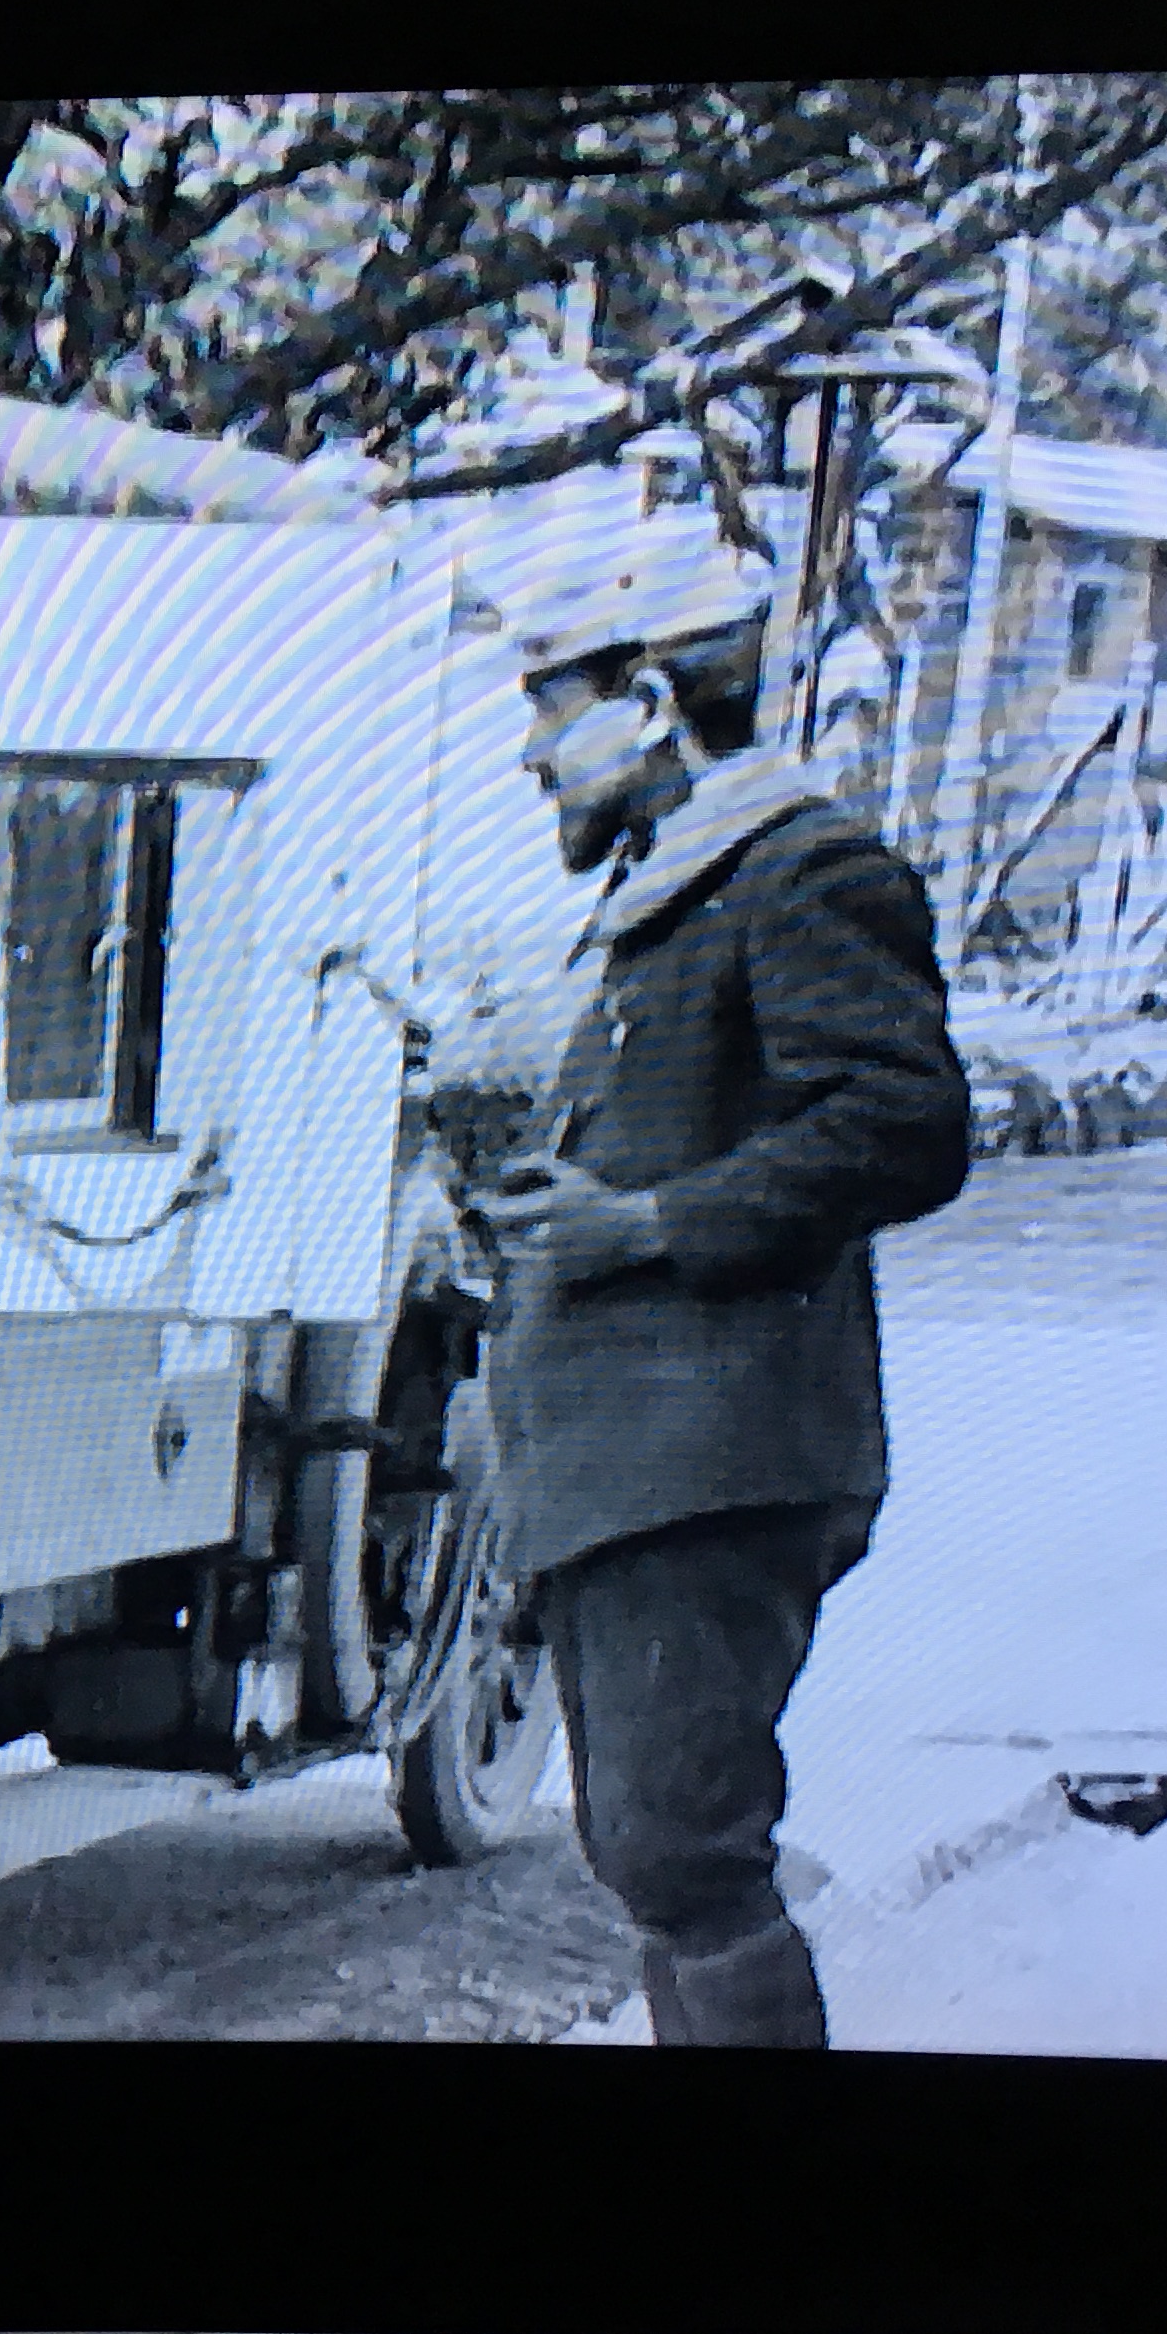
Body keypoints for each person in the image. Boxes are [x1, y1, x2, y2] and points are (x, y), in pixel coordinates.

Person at [458, 524, 972, 2049]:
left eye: (552, 713)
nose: (530, 756)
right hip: (641, 1477)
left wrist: (646, 1226)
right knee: (653, 1852)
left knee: (683, 1849)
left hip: (710, 1473)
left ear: (652, 706)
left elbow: (905, 1123)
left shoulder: (803, 871)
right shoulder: (686, 887)